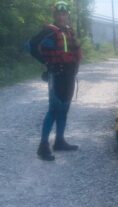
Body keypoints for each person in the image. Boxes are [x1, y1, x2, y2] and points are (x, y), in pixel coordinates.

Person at [29, 1, 81, 161]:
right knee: (53, 110)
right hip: (56, 75)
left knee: (64, 109)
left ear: (67, 15)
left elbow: (75, 52)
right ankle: (43, 146)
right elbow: (30, 45)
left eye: (64, 14)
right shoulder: (48, 31)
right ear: (55, 15)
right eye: (58, 14)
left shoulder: (69, 32)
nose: (61, 16)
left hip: (69, 75)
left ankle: (59, 141)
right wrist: (46, 62)